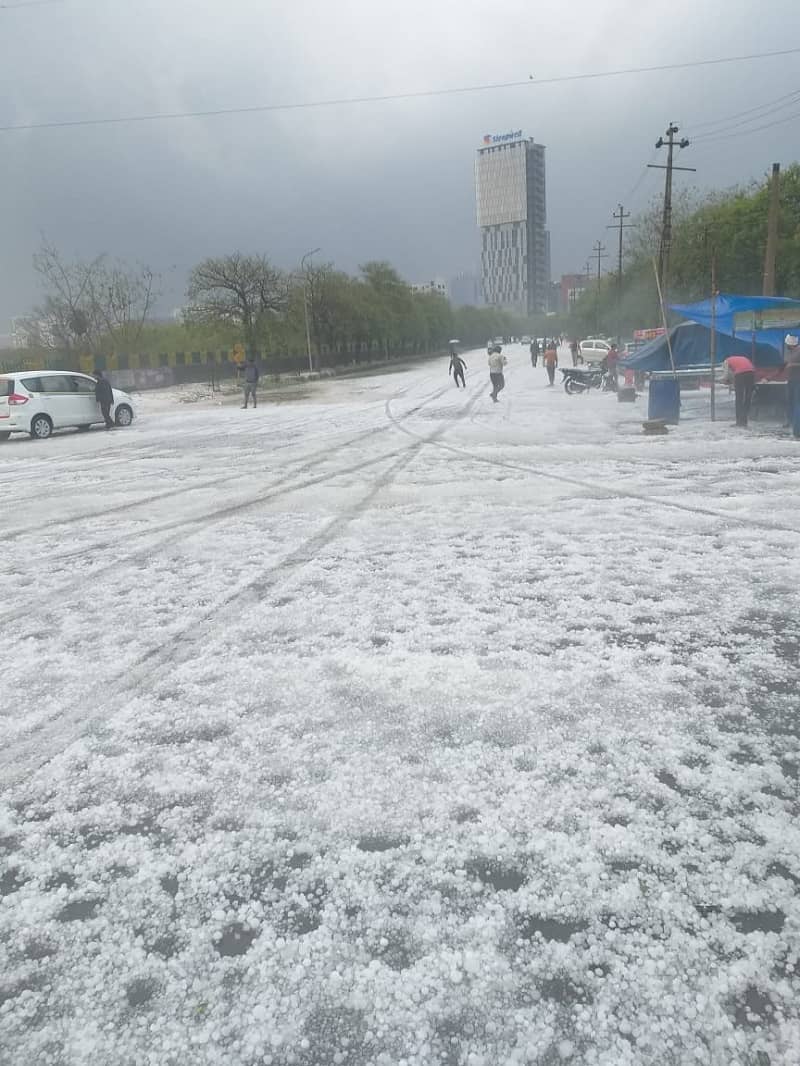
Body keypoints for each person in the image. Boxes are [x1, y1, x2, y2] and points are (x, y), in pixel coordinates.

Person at [724, 355, 756, 427]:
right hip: (751, 373)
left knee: (739, 398)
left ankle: (739, 422)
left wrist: (726, 380)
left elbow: (726, 374)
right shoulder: (743, 358)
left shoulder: (726, 361)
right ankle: (745, 421)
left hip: (740, 374)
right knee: (748, 397)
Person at [785, 334, 800, 438]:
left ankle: (797, 430)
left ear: (790, 344)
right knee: (791, 403)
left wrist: (793, 365)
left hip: (798, 380)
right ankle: (792, 424)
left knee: (797, 404)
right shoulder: (792, 352)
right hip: (792, 380)